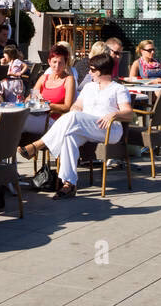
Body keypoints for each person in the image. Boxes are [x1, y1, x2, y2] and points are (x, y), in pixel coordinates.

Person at [19, 52, 132, 200]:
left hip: (109, 129)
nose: (89, 72)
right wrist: (75, 110)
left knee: (72, 117)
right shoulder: (89, 87)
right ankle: (69, 184)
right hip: (85, 126)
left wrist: (114, 114)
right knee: (68, 137)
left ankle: (37, 145)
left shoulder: (118, 89)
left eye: (92, 70)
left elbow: (129, 113)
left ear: (100, 71)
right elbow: (76, 106)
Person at [26, 44, 76, 135]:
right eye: (54, 62)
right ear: (49, 62)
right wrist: (34, 101)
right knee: (8, 118)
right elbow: (30, 98)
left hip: (52, 119)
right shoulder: (44, 78)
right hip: (37, 115)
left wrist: (48, 105)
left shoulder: (69, 80)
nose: (57, 66)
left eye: (60, 62)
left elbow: (67, 106)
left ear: (65, 63)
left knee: (16, 122)